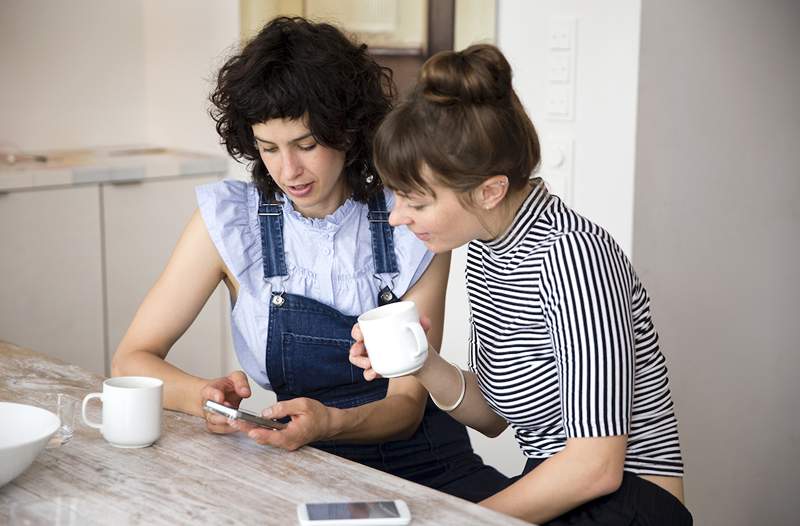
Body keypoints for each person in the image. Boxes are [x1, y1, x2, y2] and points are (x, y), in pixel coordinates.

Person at [111, 17, 509, 502]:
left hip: (427, 466)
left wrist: (329, 423)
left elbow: (406, 404)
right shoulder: (230, 224)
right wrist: (203, 396)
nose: (288, 170)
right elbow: (132, 358)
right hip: (303, 469)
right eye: (268, 148)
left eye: (306, 144)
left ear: (346, 131)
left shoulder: (410, 219)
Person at [350, 44, 693, 525]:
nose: (397, 217)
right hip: (564, 490)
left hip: (628, 506)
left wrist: (456, 520)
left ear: (490, 190)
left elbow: (596, 467)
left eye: (417, 202)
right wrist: (420, 360)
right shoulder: (490, 252)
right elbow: (492, 416)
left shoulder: (574, 256)